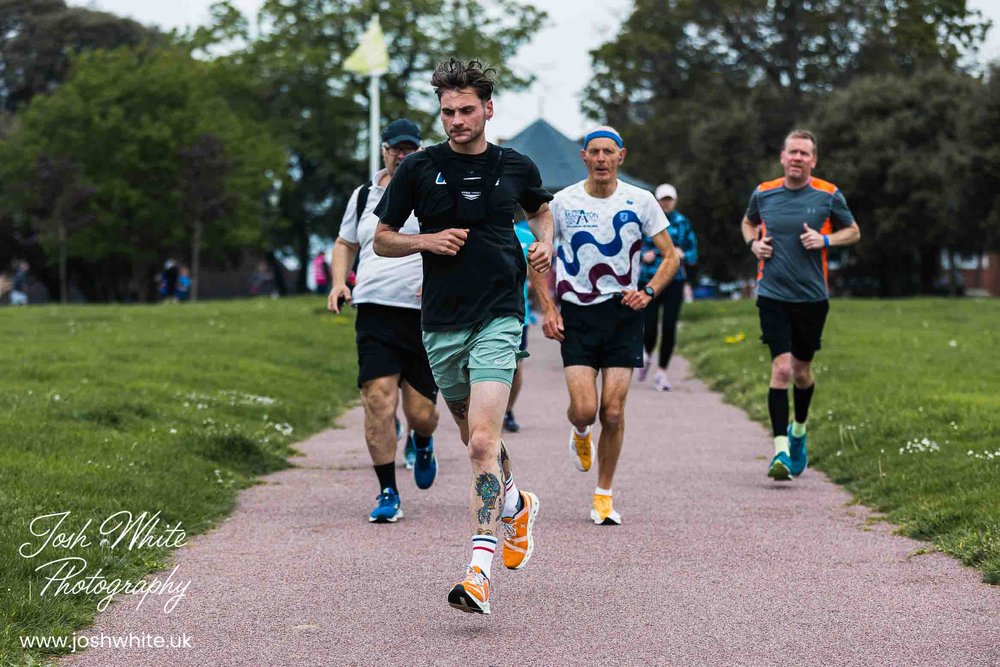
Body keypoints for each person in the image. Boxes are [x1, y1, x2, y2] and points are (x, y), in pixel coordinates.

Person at [373, 59, 554, 615]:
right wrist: (425, 241)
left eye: (466, 110)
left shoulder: (515, 165)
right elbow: (381, 239)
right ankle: (517, 502)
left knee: (480, 443)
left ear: (488, 109)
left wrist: (543, 244)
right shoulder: (419, 170)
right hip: (440, 324)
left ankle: (478, 570)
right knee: (473, 439)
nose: (456, 120)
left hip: (500, 314)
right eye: (448, 111)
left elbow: (542, 211)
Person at [532, 126, 679, 526]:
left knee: (612, 413)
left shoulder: (641, 201)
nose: (601, 158)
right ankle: (580, 432)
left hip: (623, 314)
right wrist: (548, 308)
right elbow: (537, 257)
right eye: (594, 152)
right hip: (577, 314)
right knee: (585, 409)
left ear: (621, 156)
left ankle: (603, 495)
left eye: (608, 152)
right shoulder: (562, 203)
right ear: (583, 156)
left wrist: (647, 292)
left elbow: (670, 258)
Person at [328, 118, 442, 523]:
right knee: (378, 398)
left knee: (421, 413)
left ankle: (423, 440)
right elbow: (345, 242)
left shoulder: (432, 191)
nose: (402, 154)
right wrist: (340, 282)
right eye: (396, 147)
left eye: (410, 148)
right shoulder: (363, 196)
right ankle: (388, 492)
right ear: (384, 150)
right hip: (374, 309)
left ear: (420, 151)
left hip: (423, 315)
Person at [740, 129, 861, 481]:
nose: (797, 158)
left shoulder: (827, 195)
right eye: (792, 152)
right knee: (781, 369)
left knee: (803, 372)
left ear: (813, 160)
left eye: (804, 154)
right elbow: (748, 222)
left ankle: (798, 430)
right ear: (782, 156)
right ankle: (780, 452)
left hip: (812, 297)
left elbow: (853, 231)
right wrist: (754, 245)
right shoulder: (764, 193)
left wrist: (825, 239)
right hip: (772, 294)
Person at [637, 183, 698, 391]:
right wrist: (643, 255)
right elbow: (634, 247)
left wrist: (682, 254)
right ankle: (646, 352)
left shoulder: (682, 223)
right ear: (657, 201)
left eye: (669, 200)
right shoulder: (647, 220)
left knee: (670, 327)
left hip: (674, 280)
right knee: (650, 324)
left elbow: (693, 253)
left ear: (675, 201)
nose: (666, 203)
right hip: (650, 279)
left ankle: (662, 372)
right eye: (663, 199)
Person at [503, 217, 537, 433]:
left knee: (515, 367)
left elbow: (537, 279)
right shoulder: (476, 230)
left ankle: (507, 410)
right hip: (480, 312)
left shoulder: (526, 237)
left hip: (517, 313)